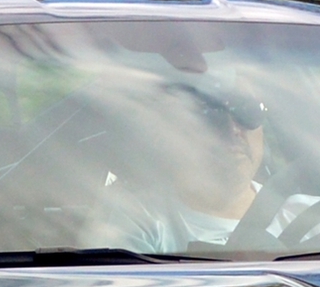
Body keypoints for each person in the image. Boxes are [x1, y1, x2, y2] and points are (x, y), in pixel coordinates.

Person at [83, 81, 272, 252]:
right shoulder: (136, 218)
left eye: (248, 111)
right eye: (211, 117)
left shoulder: (297, 213)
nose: (233, 130)